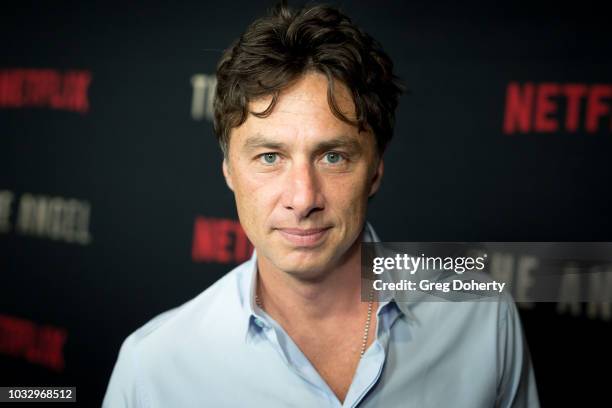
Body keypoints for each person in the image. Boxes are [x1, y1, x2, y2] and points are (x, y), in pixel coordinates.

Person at [103, 2, 540, 407]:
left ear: (375, 171)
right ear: (229, 171)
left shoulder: (480, 317)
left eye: (333, 157)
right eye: (269, 157)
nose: (303, 198)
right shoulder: (153, 368)